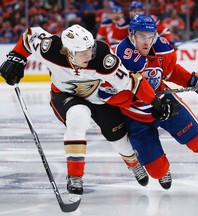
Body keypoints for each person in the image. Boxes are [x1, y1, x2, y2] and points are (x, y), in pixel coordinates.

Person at [0, 24, 178, 198]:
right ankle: (75, 176)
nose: (89, 55)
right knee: (78, 118)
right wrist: (16, 57)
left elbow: (133, 83)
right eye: (83, 52)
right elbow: (31, 35)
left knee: (119, 138)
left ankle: (132, 162)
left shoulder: (102, 57)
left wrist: (155, 103)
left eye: (90, 49)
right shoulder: (50, 49)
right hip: (65, 96)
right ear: (68, 51)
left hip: (99, 97)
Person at [114, 14, 198, 195]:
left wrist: (194, 81)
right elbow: (121, 94)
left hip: (166, 104)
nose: (146, 42)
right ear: (131, 35)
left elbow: (171, 72)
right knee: (157, 171)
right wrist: (152, 103)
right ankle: (162, 169)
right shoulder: (121, 58)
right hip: (135, 116)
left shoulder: (160, 49)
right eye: (141, 36)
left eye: (150, 36)